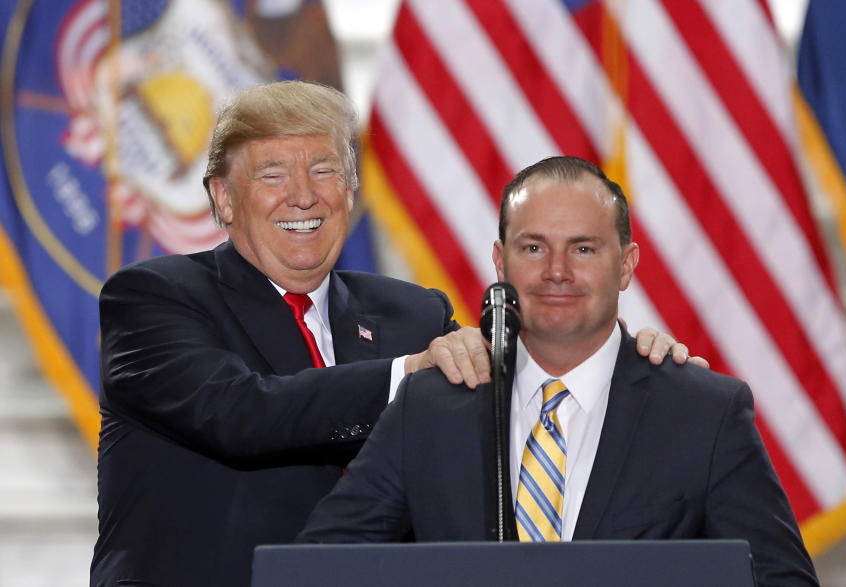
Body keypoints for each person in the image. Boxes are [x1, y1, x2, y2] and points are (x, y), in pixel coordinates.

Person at [91, 83, 696, 586]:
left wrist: (626, 363)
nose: (303, 195)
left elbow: (521, 401)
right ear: (223, 198)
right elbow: (237, 412)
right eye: (273, 174)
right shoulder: (152, 297)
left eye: (324, 170)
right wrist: (404, 376)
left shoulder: (414, 315)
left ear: (350, 192)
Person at [297, 156, 820, 587]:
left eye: (584, 249)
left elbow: (781, 581)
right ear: (501, 263)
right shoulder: (430, 406)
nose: (556, 272)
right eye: (533, 248)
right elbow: (315, 570)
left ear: (627, 265)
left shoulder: (704, 413)